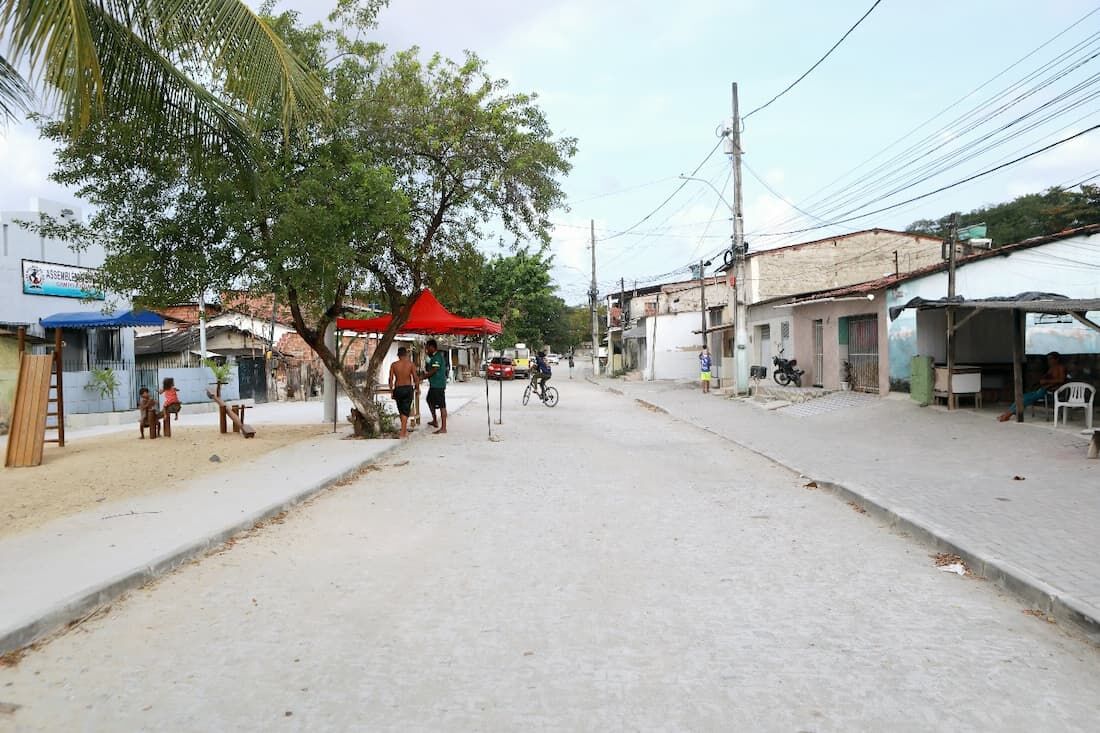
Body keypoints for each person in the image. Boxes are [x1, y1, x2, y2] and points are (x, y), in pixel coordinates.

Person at [998, 351, 1067, 422]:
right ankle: (1008, 413)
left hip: (1052, 391)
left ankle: (1008, 415)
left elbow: (1061, 380)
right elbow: (1045, 378)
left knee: (1026, 399)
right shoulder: (1051, 369)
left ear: (1057, 359)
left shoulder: (1060, 368)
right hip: (1044, 389)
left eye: (1050, 359)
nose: (1049, 361)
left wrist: (1047, 381)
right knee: (1022, 397)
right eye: (1048, 359)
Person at [388, 346, 418, 438]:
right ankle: (403, 432)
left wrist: (391, 391)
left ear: (398, 355)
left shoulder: (394, 365)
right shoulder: (411, 364)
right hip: (408, 388)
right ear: (406, 354)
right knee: (405, 411)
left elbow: (391, 379)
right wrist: (418, 388)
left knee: (401, 410)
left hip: (398, 388)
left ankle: (404, 430)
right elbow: (415, 377)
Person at [422, 339, 448, 434]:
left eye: (427, 348)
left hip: (438, 384)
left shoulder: (437, 357)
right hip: (434, 384)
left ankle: (443, 428)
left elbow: (434, 370)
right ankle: (435, 420)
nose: (426, 350)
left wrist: (423, 377)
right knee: (429, 400)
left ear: (432, 347)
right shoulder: (433, 357)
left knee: (442, 405)